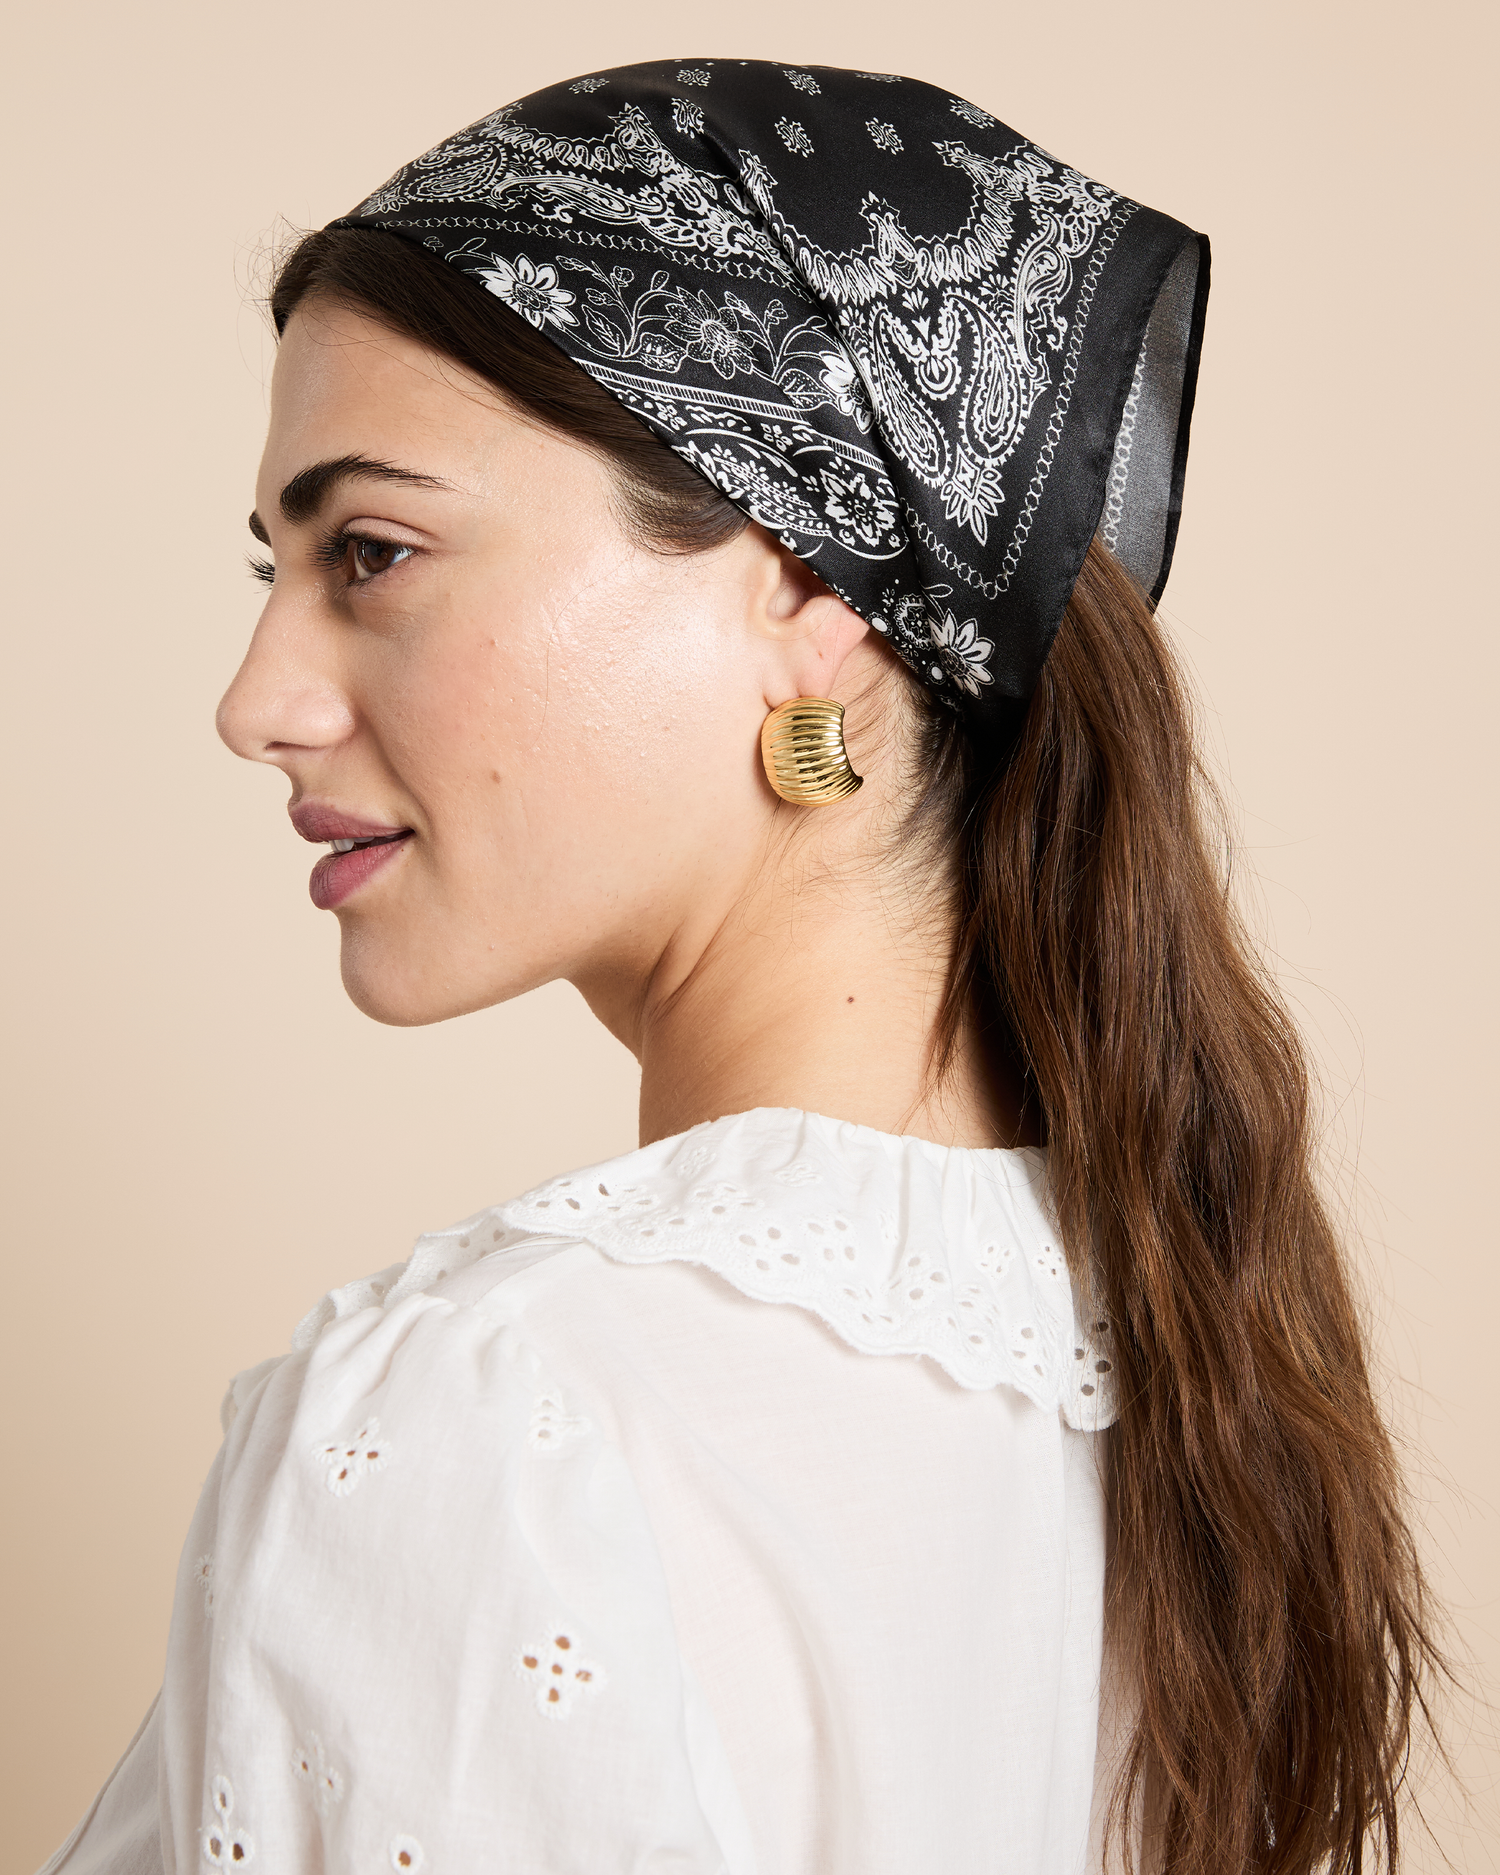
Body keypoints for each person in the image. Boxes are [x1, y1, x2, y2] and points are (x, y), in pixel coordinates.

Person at [41, 58, 1442, 1875]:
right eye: (277, 570)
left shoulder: (491, 1410)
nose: (258, 703)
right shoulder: (1179, 1357)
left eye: (371, 552)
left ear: (804, 587)